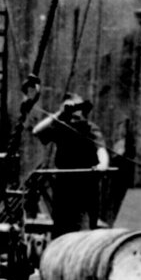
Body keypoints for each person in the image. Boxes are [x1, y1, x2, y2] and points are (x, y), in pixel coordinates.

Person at [32, 93, 111, 236]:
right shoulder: (61, 128)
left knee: (85, 229)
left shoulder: (90, 129)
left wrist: (102, 165)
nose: (74, 118)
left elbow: (101, 151)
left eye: (77, 112)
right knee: (62, 227)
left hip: (87, 185)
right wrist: (59, 113)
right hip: (64, 185)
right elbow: (37, 131)